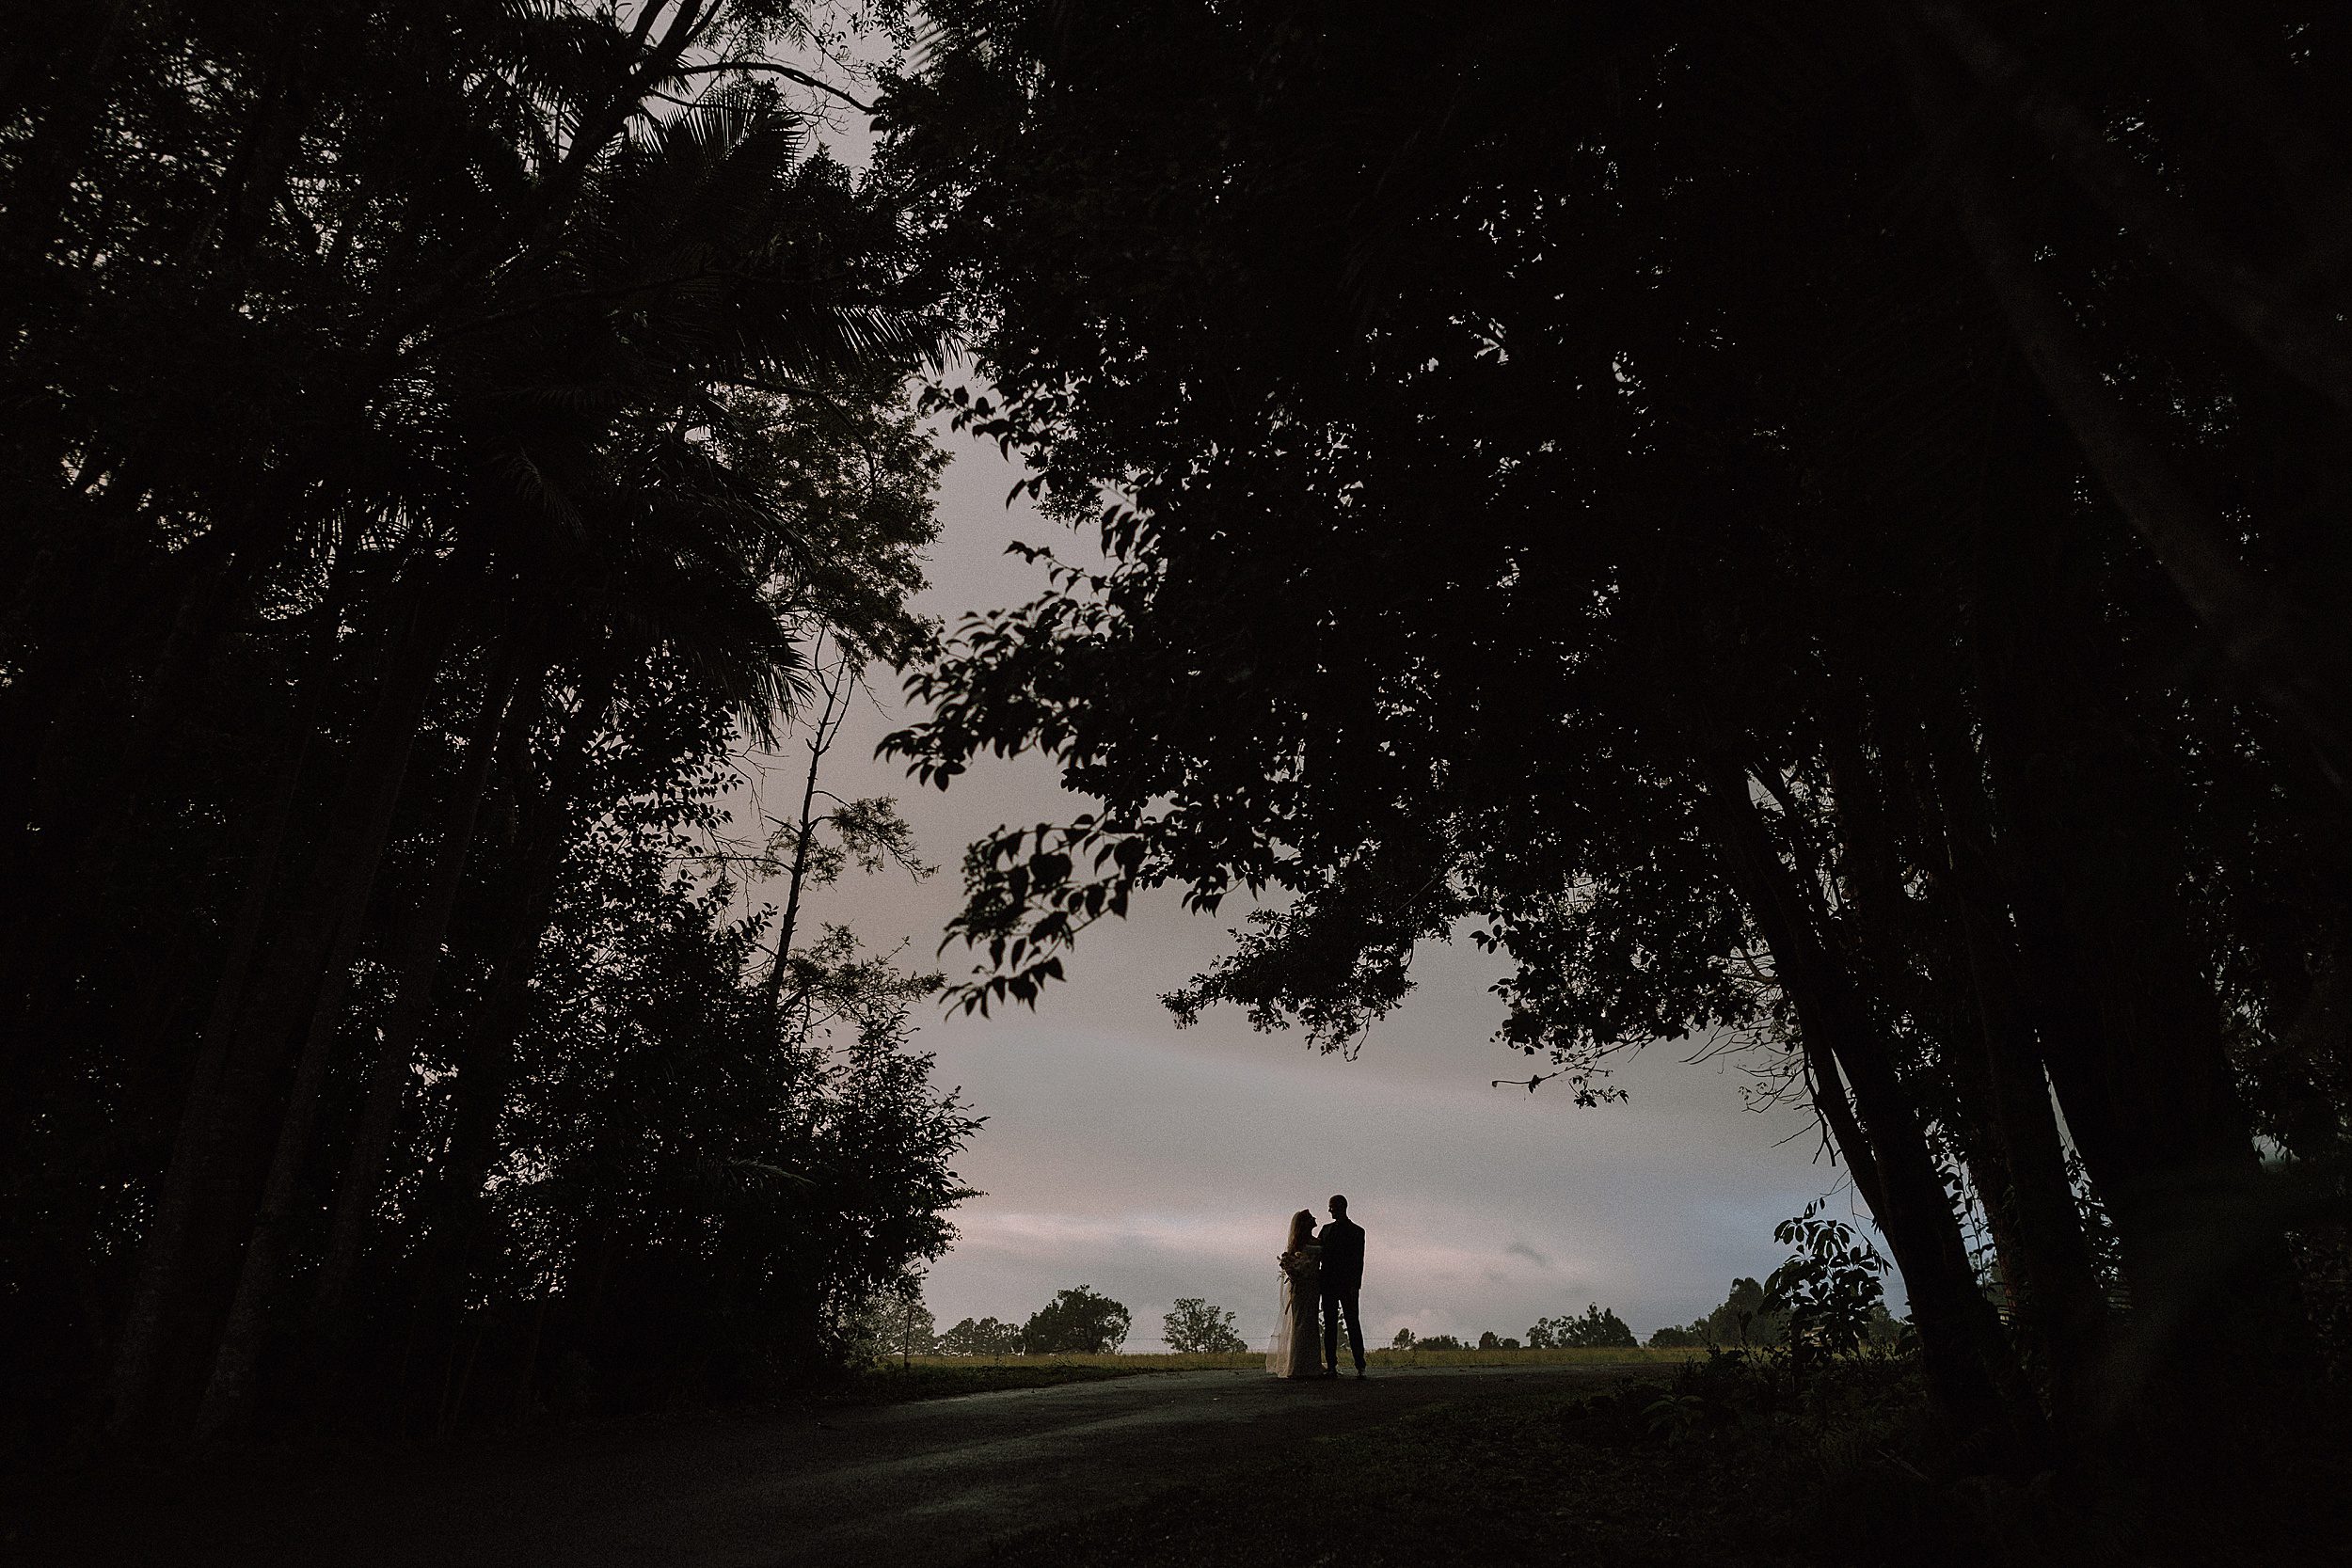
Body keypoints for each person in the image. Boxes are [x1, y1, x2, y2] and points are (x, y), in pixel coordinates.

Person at [1267, 1210, 1323, 1378]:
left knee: (1311, 1324)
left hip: (1313, 1286)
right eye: (1311, 1218)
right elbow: (1292, 1263)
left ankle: (1311, 1364)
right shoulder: (1298, 1245)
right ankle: (1299, 1365)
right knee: (1300, 1324)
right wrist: (1297, 1273)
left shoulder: (1316, 1241)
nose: (1314, 1219)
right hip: (1302, 1287)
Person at [1319, 1195, 1367, 1378]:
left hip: (1347, 1286)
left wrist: (1355, 1285)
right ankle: (1332, 1365)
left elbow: (1358, 1262)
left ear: (1341, 1207)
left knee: (1352, 1323)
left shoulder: (1357, 1232)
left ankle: (1360, 1365)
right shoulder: (1325, 1230)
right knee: (1330, 1325)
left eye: (1332, 1207)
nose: (1329, 1210)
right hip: (1329, 1285)